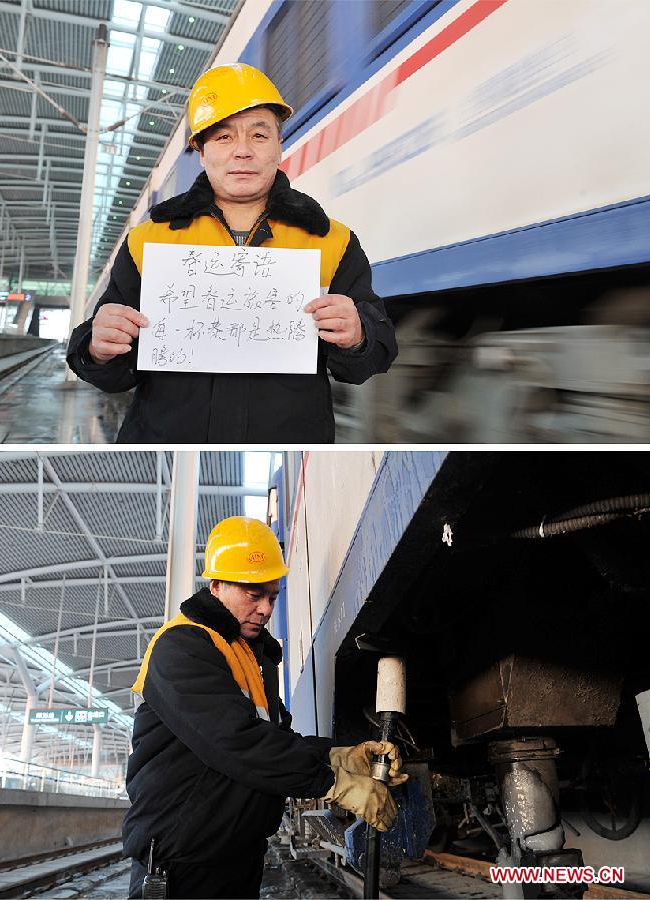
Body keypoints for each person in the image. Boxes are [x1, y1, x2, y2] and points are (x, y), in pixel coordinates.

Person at [66, 64, 397, 442]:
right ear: (201, 151)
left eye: (259, 135)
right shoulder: (148, 241)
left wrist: (359, 336)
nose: (242, 151)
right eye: (223, 137)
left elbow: (375, 355)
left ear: (278, 147)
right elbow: (115, 375)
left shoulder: (332, 241)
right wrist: (97, 347)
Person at [124, 516, 406, 899]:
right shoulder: (181, 647)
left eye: (272, 596)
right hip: (182, 869)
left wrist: (340, 756)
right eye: (253, 594)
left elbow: (276, 740)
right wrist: (335, 784)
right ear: (216, 586)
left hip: (236, 860)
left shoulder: (252, 658)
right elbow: (236, 742)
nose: (266, 608)